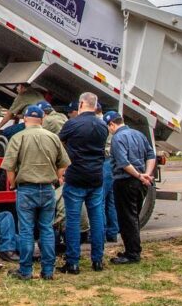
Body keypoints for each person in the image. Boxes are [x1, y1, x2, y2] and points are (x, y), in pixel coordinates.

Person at [0, 105, 70, 280]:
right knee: (47, 229)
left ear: (25, 119)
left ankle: (25, 271)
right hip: (47, 189)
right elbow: (64, 164)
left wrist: (13, 183)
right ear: (42, 119)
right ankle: (48, 271)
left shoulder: (18, 137)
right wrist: (56, 178)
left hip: (26, 189)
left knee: (26, 231)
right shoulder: (53, 137)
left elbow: (9, 167)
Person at [57, 92, 109, 274]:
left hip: (76, 176)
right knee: (97, 218)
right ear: (95, 105)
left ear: (81, 104)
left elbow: (59, 141)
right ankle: (98, 260)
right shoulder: (103, 126)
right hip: (96, 177)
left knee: (73, 220)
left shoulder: (72, 124)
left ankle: (73, 262)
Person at [104, 111, 156, 265]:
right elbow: (151, 155)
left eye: (108, 127)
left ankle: (132, 253)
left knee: (127, 218)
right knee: (134, 217)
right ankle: (132, 249)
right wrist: (146, 174)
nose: (109, 130)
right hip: (141, 183)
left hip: (126, 181)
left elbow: (123, 163)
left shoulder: (117, 138)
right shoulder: (138, 134)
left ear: (112, 124)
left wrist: (139, 176)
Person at [96, 105, 119, 243]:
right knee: (111, 200)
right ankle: (113, 232)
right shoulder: (118, 130)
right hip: (114, 164)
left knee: (100, 200)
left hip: (105, 163)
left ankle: (101, 233)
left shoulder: (102, 126)